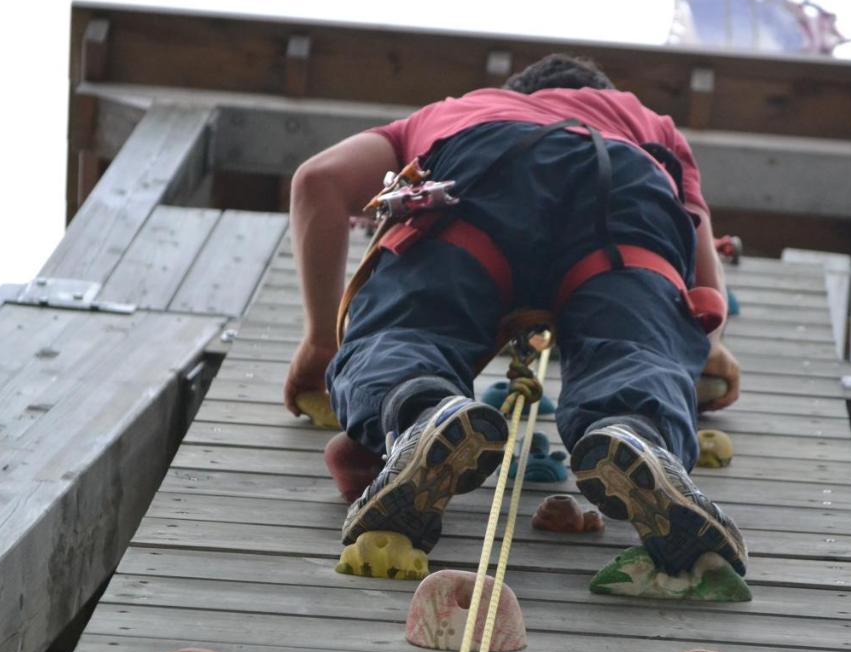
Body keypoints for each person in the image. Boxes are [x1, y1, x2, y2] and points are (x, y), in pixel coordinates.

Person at [283, 53, 747, 577]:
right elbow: (701, 269)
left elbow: (316, 180)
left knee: (413, 327)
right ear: (601, 93)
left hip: (477, 176)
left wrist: (321, 341)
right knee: (634, 347)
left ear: (519, 89)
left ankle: (420, 411)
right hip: (621, 188)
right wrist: (711, 345)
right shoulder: (651, 125)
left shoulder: (454, 110)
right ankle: (636, 430)